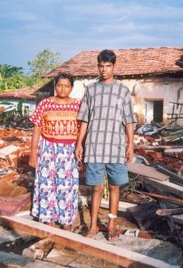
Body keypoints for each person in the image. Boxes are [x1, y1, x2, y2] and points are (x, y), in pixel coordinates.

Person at [75, 49, 137, 241]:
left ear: (114, 66)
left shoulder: (123, 91)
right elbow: (84, 119)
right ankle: (93, 226)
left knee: (115, 188)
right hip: (94, 147)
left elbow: (129, 121)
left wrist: (130, 145)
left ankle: (111, 225)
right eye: (101, 66)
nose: (104, 70)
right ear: (98, 66)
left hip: (116, 147)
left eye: (108, 66)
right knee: (95, 188)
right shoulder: (91, 90)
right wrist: (79, 144)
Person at [29, 72, 80, 231]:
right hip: (48, 149)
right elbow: (37, 129)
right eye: (59, 85)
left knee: (67, 186)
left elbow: (82, 130)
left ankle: (66, 221)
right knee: (47, 184)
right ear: (54, 86)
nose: (63, 89)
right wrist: (33, 153)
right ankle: (48, 220)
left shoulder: (78, 105)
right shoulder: (45, 104)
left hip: (69, 150)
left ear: (72, 88)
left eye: (67, 86)